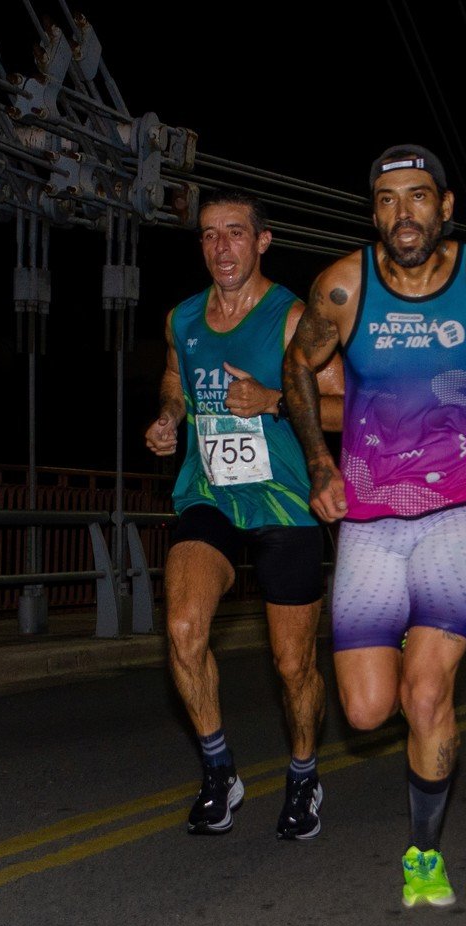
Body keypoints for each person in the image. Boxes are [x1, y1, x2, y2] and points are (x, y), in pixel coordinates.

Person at [282, 144, 466, 907]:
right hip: (370, 514)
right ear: (372, 211)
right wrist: (316, 462)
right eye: (385, 199)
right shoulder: (343, 287)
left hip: (458, 508)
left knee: (427, 693)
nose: (401, 213)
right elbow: (297, 366)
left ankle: (424, 854)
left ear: (444, 208)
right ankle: (411, 652)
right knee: (368, 709)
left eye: (416, 197)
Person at [144, 188, 343, 842]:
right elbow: (175, 381)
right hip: (210, 495)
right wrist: (170, 419)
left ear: (262, 241)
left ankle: (304, 771)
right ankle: (217, 770)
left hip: (284, 502)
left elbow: (348, 407)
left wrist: (275, 400)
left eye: (234, 233)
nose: (219, 247)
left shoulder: (292, 320)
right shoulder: (182, 319)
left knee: (292, 666)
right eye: (207, 235)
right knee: (180, 626)